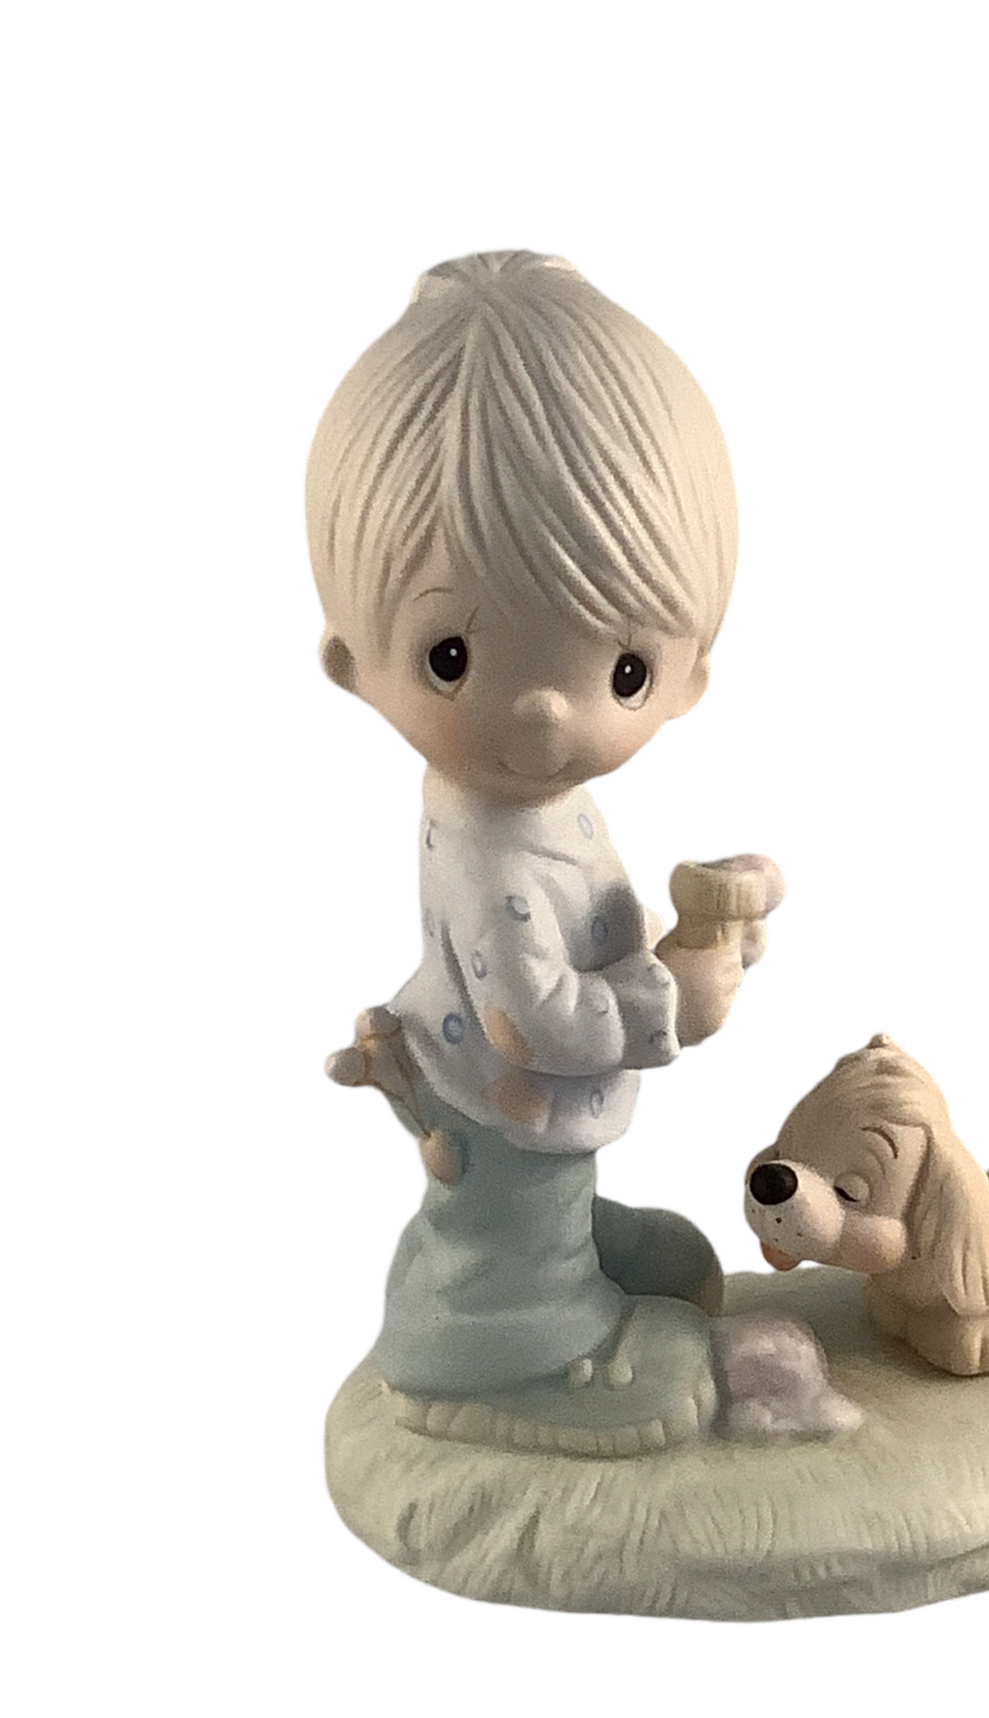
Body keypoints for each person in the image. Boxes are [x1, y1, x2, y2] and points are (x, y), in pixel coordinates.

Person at [306, 251, 778, 1455]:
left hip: (509, 1101)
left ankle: (563, 1245)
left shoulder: (527, 805)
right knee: (505, 1212)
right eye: (452, 658)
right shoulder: (495, 853)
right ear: (352, 663)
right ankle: (498, 1331)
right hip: (501, 1091)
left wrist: (686, 941)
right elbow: (535, 1022)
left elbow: (580, 938)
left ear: (687, 675)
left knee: (535, 1195)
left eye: (621, 669)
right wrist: (676, 997)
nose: (544, 714)